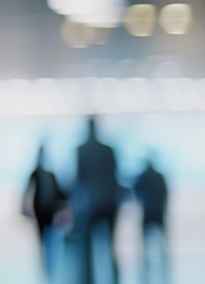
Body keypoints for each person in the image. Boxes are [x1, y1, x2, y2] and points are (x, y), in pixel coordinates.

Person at [73, 116, 121, 283]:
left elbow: (79, 180)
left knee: (86, 247)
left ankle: (88, 279)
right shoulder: (108, 150)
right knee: (111, 246)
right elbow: (115, 177)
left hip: (92, 205)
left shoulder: (82, 150)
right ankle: (115, 278)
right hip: (110, 203)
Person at [23, 144, 70, 279]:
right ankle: (45, 268)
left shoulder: (51, 175)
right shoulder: (35, 174)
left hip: (50, 212)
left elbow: (60, 193)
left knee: (52, 240)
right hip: (40, 212)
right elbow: (28, 192)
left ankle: (51, 266)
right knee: (43, 240)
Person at [132, 154, 169, 281]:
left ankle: (147, 260)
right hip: (158, 211)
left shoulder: (142, 176)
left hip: (148, 211)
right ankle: (162, 257)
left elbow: (135, 190)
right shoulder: (160, 176)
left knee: (145, 238)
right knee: (161, 238)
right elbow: (166, 194)